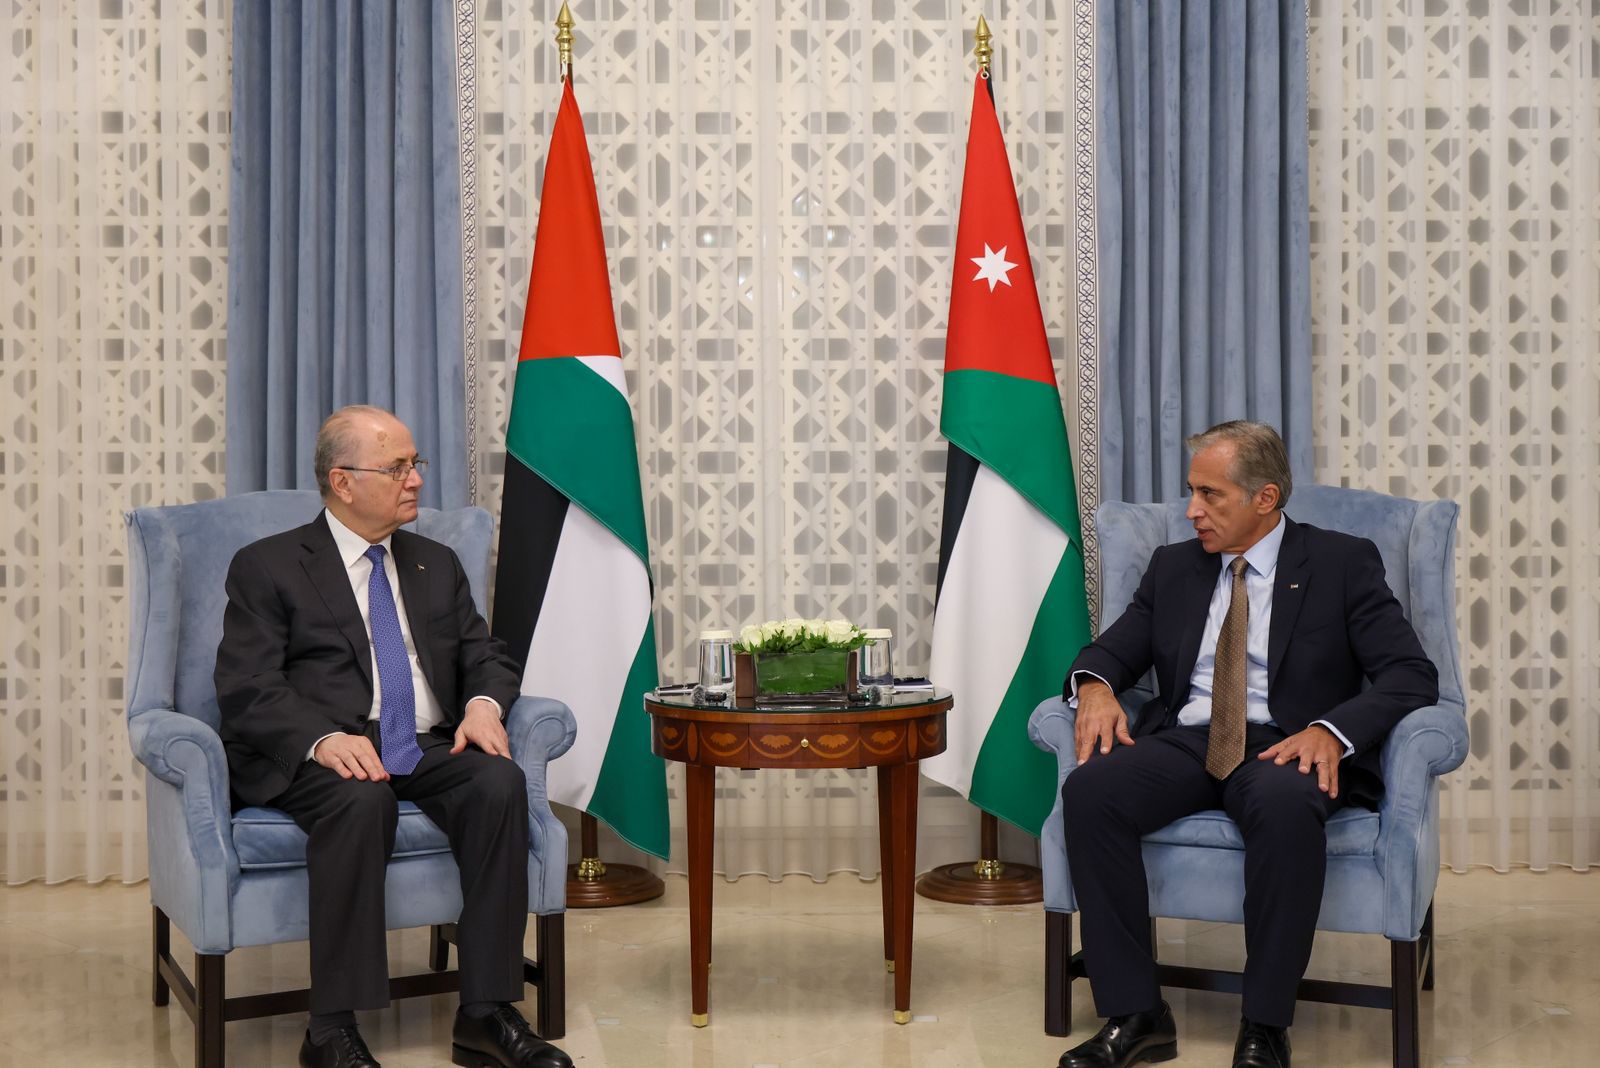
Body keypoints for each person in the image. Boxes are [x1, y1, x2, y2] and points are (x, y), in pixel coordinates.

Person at [1056, 421, 1438, 1068]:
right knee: (1092, 790)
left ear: (1265, 498)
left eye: (1210, 494)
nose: (1191, 510)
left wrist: (1332, 731)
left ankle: (1265, 1023)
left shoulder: (1342, 563)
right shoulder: (1174, 567)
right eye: (1191, 492)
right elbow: (1113, 650)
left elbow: (1410, 674)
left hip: (1287, 743)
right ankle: (1136, 1013)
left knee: (1286, 808)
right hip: (1189, 738)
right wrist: (1093, 685)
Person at [215, 406, 572, 1068]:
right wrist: (321, 738)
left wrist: (484, 706)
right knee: (361, 799)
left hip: (421, 741)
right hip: (325, 750)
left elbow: (484, 654)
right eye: (398, 467)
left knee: (499, 781)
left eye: (416, 464)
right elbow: (247, 685)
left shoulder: (434, 563)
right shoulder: (268, 565)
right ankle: (330, 1031)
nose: (416, 480)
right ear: (343, 482)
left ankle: (485, 1012)